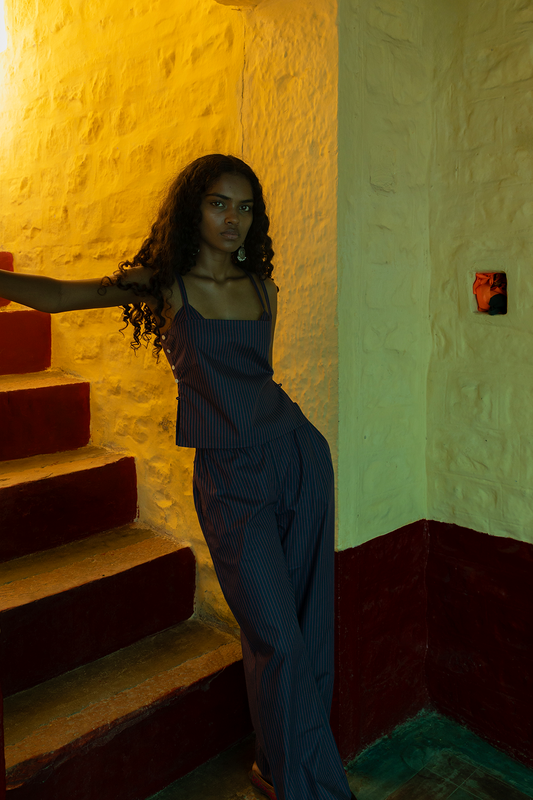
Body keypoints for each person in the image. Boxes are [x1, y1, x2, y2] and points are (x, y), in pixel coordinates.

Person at [0, 154, 357, 800]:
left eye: (245, 207)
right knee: (276, 635)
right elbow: (61, 295)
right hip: (229, 477)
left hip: (298, 457)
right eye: (219, 203)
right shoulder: (165, 286)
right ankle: (313, 790)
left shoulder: (264, 288)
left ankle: (278, 767)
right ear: (194, 207)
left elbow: (254, 379)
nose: (233, 219)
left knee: (308, 628)